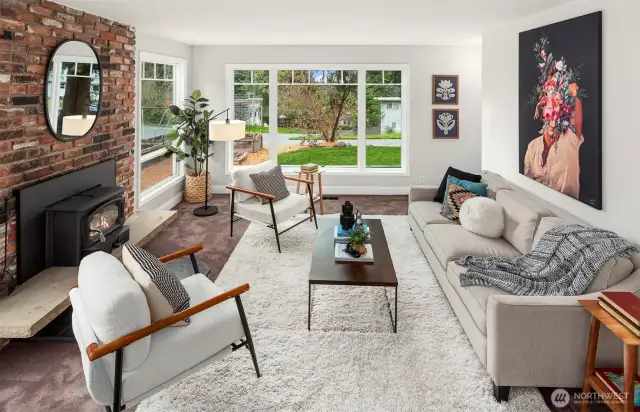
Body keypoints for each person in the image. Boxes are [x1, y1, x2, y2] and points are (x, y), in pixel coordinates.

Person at [524, 82, 583, 199]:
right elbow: (527, 186)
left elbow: (576, 105)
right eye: (549, 113)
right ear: (542, 115)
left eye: (557, 113)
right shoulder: (533, 146)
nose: (553, 120)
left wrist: (569, 91)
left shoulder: (570, 140)